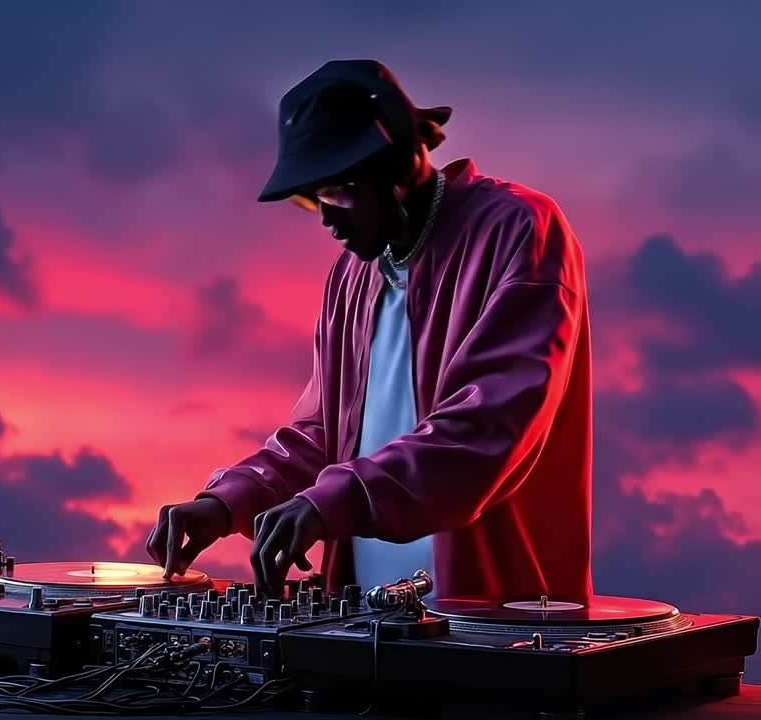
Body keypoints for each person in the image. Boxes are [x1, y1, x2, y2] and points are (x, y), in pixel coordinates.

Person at [146, 59, 593, 603]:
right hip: (363, 621)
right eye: (310, 199)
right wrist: (227, 501)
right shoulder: (351, 275)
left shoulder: (521, 231)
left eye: (333, 193)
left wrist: (331, 502)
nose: (324, 219)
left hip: (499, 626)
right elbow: (321, 436)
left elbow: (486, 429)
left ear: (395, 168)